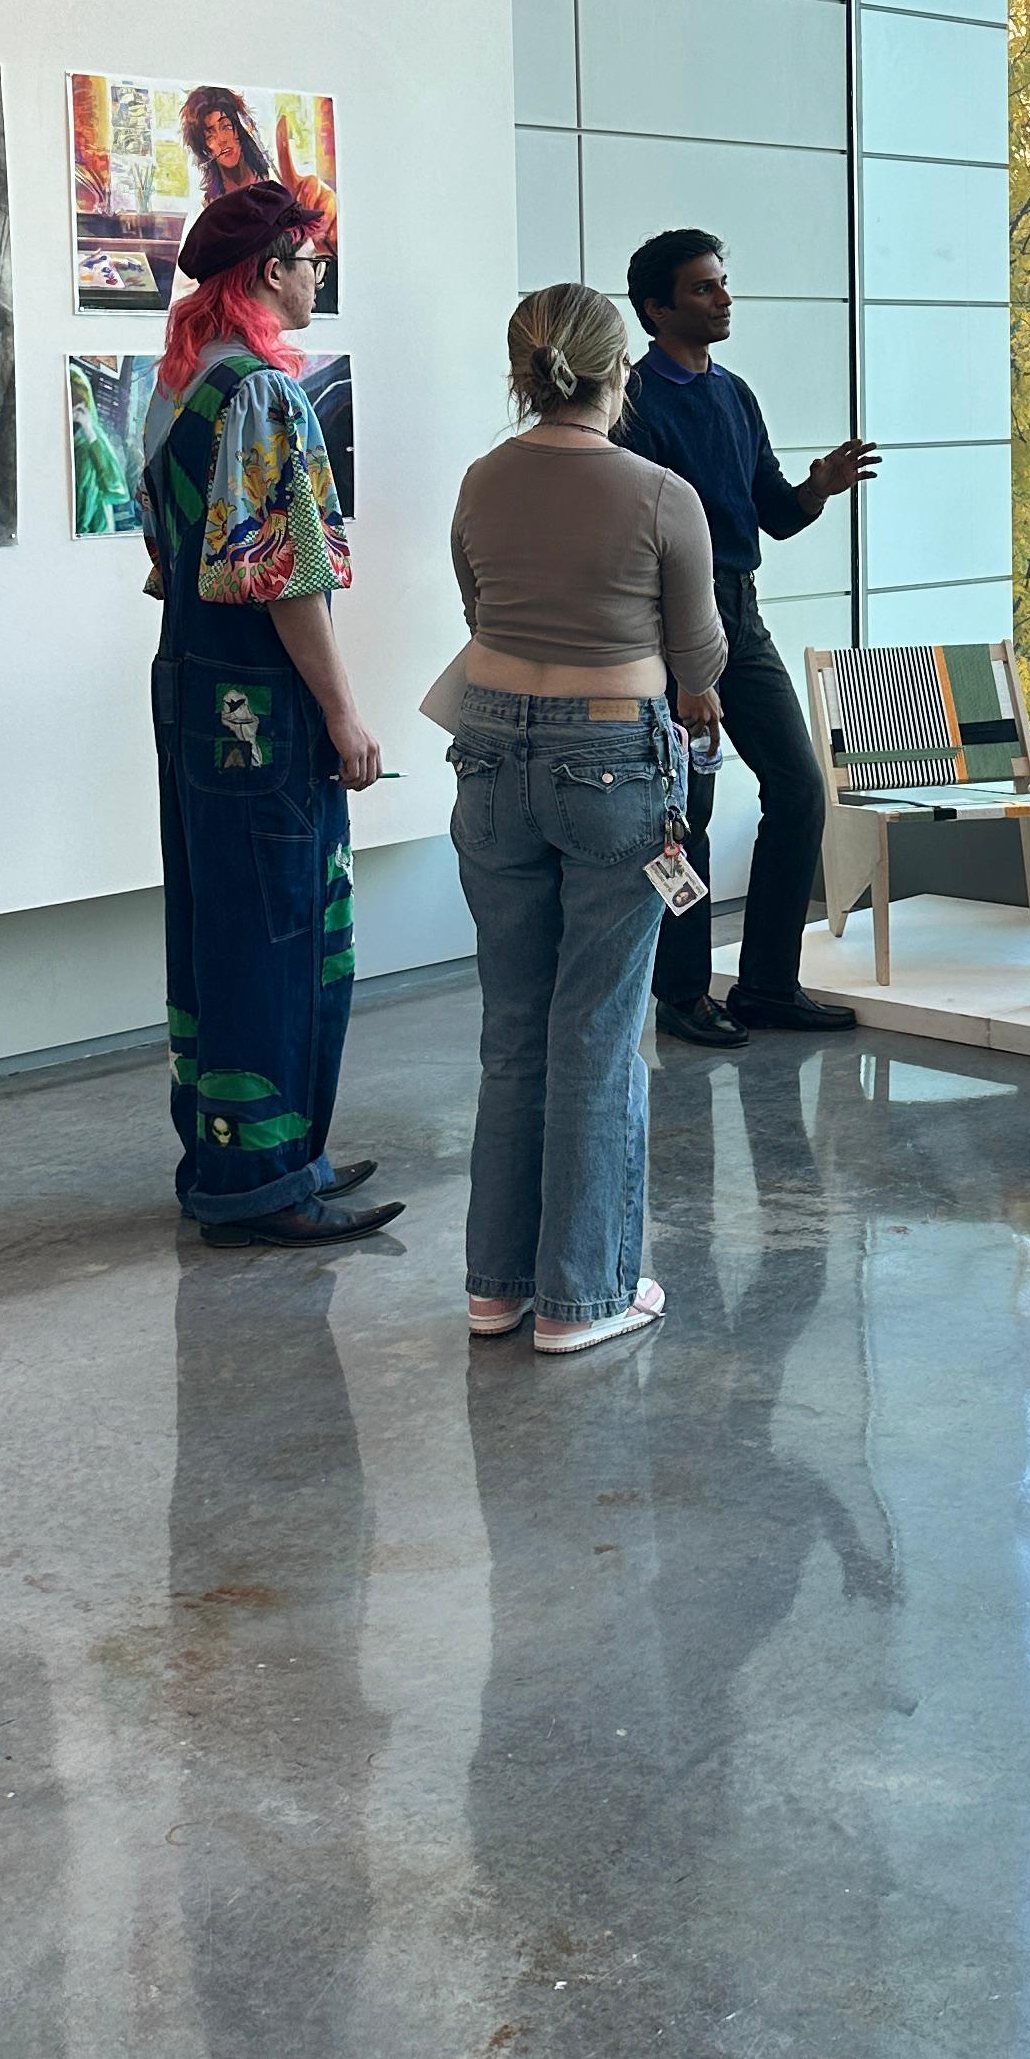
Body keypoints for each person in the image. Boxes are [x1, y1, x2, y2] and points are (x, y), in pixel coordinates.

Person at [445, 284, 727, 1352]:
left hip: (487, 753)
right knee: (599, 1031)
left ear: (525, 371)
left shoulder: (483, 479)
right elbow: (698, 657)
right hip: (612, 757)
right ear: (621, 372)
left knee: (513, 1029)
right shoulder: (658, 494)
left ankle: (496, 1287)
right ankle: (584, 1295)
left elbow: (478, 612)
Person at [135, 176, 392, 1247]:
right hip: (262, 702)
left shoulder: (179, 386)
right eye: (309, 260)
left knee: (219, 922)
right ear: (270, 271)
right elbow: (287, 583)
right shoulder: (265, 396)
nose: (317, 277)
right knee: (282, 929)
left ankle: (238, 1153)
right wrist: (344, 713)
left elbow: (168, 564)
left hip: (191, 684)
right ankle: (266, 1181)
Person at [616, 228, 878, 1046]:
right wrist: (680, 661)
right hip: (668, 623)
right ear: (658, 308)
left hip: (740, 616)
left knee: (799, 791)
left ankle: (767, 985)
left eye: (722, 282)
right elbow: (641, 544)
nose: (724, 298)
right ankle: (682, 994)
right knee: (682, 818)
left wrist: (818, 488)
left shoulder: (734, 394)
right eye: (704, 287)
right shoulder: (633, 404)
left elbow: (773, 514)